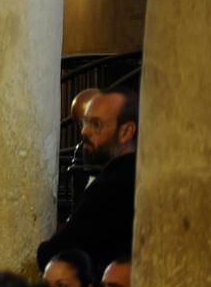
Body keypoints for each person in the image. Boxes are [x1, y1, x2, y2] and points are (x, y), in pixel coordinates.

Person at [37, 88, 138, 274]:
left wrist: (44, 249)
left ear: (126, 131)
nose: (84, 131)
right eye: (84, 122)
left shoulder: (111, 186)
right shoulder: (135, 174)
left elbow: (56, 254)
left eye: (96, 124)